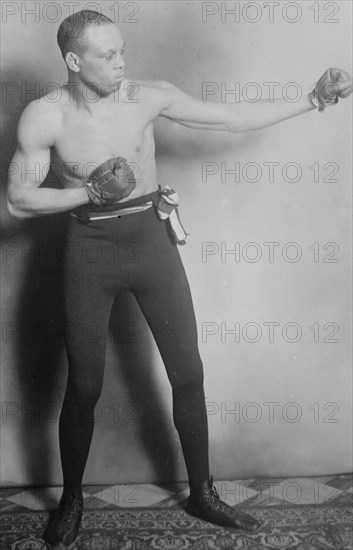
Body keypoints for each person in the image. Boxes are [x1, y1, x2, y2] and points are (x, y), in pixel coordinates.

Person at [7, 10, 352, 548]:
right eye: (107, 55)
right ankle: (71, 500)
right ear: (73, 60)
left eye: (123, 50)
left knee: (188, 374)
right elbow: (19, 201)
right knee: (85, 387)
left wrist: (312, 99)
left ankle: (203, 493)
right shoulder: (43, 117)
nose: (122, 63)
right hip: (88, 249)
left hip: (150, 243)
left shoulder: (146, 96)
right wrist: (88, 193)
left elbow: (231, 119)